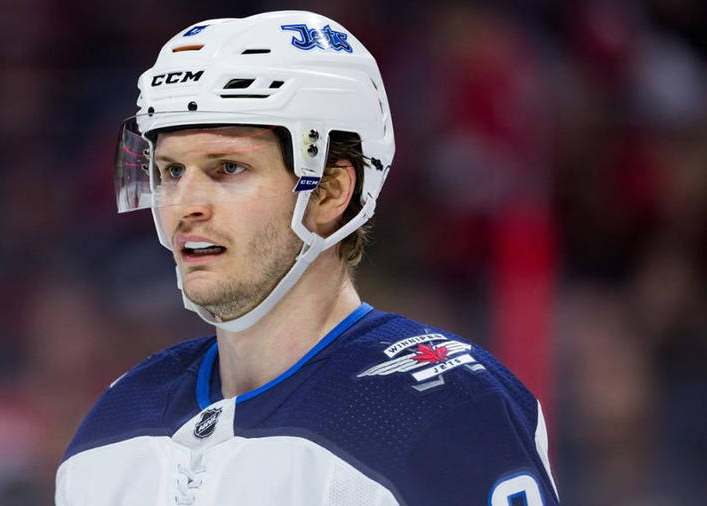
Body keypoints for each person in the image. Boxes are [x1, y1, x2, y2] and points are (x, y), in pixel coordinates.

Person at [57, 10, 559, 506]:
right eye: (170, 171)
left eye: (228, 168)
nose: (186, 207)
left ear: (330, 191)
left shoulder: (444, 412)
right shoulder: (115, 423)